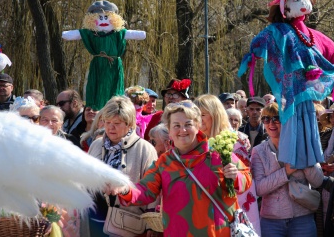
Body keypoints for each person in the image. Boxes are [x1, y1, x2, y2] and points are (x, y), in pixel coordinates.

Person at [107, 101, 252, 236]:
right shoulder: (164, 162)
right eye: (176, 125)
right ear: (169, 130)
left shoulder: (218, 155)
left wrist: (236, 177)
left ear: (198, 126)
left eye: (188, 124)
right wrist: (125, 190)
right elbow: (145, 191)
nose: (182, 130)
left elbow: (246, 178)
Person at [238, 0, 334, 169]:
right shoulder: (280, 30)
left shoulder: (310, 34)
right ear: (284, 6)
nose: (302, 3)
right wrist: (254, 53)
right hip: (290, 93)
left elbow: (332, 51)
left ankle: (308, 164)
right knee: (292, 124)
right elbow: (262, 40)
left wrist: (332, 66)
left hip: (306, 95)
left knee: (308, 122)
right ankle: (293, 166)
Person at [87, 96, 158, 236]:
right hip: (94, 217)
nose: (110, 127)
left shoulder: (145, 149)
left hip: (127, 223)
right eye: (107, 122)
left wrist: (151, 224)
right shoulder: (96, 144)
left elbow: (153, 189)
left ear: (129, 123)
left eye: (117, 123)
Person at [251, 102, 324, 237]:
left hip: (302, 218)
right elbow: (259, 188)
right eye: (266, 119)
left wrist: (303, 159)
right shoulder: (258, 151)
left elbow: (318, 181)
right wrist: (286, 172)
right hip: (271, 221)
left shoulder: (303, 144)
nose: (271, 123)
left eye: (276, 118)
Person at [195, 94, 260, 235]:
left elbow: (247, 180)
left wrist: (235, 177)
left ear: (215, 116)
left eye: (203, 114)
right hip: (195, 217)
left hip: (222, 218)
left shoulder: (233, 142)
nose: (197, 120)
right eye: (195, 115)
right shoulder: (190, 143)